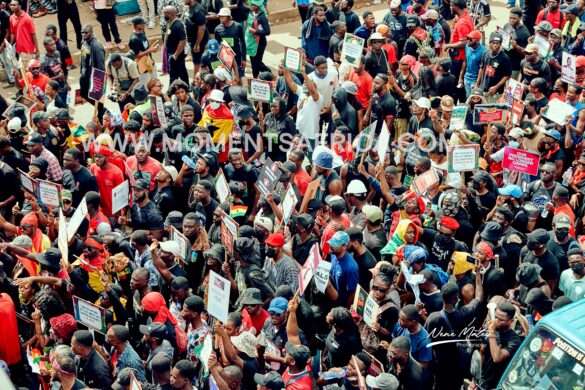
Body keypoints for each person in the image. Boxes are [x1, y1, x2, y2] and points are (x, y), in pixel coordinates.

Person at [164, 5, 188, 84]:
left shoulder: (178, 25)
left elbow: (182, 41)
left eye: (165, 13)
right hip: (172, 53)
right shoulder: (170, 23)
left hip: (177, 54)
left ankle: (185, 87)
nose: (164, 15)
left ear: (171, 14)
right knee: (176, 72)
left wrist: (176, 54)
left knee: (179, 72)